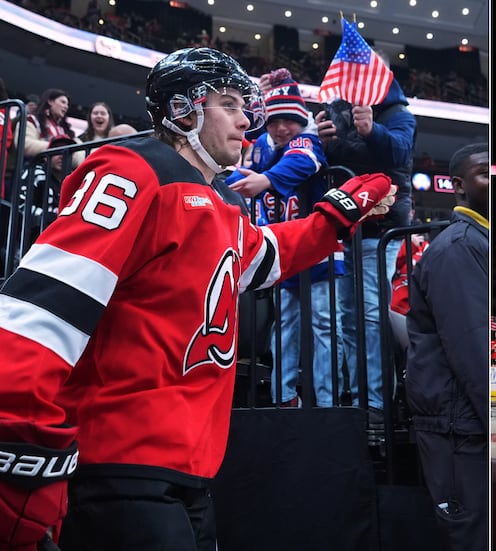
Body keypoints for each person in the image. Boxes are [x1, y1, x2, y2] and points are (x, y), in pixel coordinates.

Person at [0, 47, 395, 551]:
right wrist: (17, 437)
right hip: (120, 464)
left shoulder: (221, 201)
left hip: (192, 470)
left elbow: (263, 258)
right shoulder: (131, 170)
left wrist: (333, 218)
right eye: (228, 104)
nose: (245, 121)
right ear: (183, 110)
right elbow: (43, 305)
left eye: (244, 106)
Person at [225, 68, 342, 408]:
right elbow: (241, 167)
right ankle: (284, 397)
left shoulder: (306, 140)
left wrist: (265, 180)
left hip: (319, 251)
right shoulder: (264, 147)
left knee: (324, 326)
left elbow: (302, 162)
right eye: (274, 121)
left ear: (301, 121)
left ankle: (328, 402)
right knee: (286, 324)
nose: (281, 128)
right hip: (285, 250)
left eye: (289, 121)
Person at [316, 59, 417, 422]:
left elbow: (401, 152)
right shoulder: (335, 111)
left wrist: (373, 131)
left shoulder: (398, 113)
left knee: (371, 314)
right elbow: (326, 160)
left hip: (379, 229)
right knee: (347, 315)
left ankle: (376, 402)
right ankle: (357, 395)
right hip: (343, 228)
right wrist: (320, 141)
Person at [404, 142, 489, 551]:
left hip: (469, 420)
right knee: (472, 535)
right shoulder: (459, 248)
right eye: (486, 173)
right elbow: (473, 348)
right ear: (459, 186)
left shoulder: (479, 242)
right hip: (460, 425)